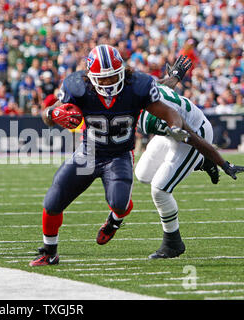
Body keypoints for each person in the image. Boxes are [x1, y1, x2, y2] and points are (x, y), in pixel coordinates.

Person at [29, 45, 192, 266]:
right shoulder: (77, 86)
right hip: (88, 152)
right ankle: (50, 253)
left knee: (120, 203)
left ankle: (114, 221)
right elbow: (48, 116)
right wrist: (52, 113)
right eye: (102, 78)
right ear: (90, 76)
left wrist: (175, 126)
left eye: (112, 76)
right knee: (53, 201)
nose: (107, 82)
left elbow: (168, 111)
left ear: (122, 71)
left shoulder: (137, 86)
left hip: (119, 155)